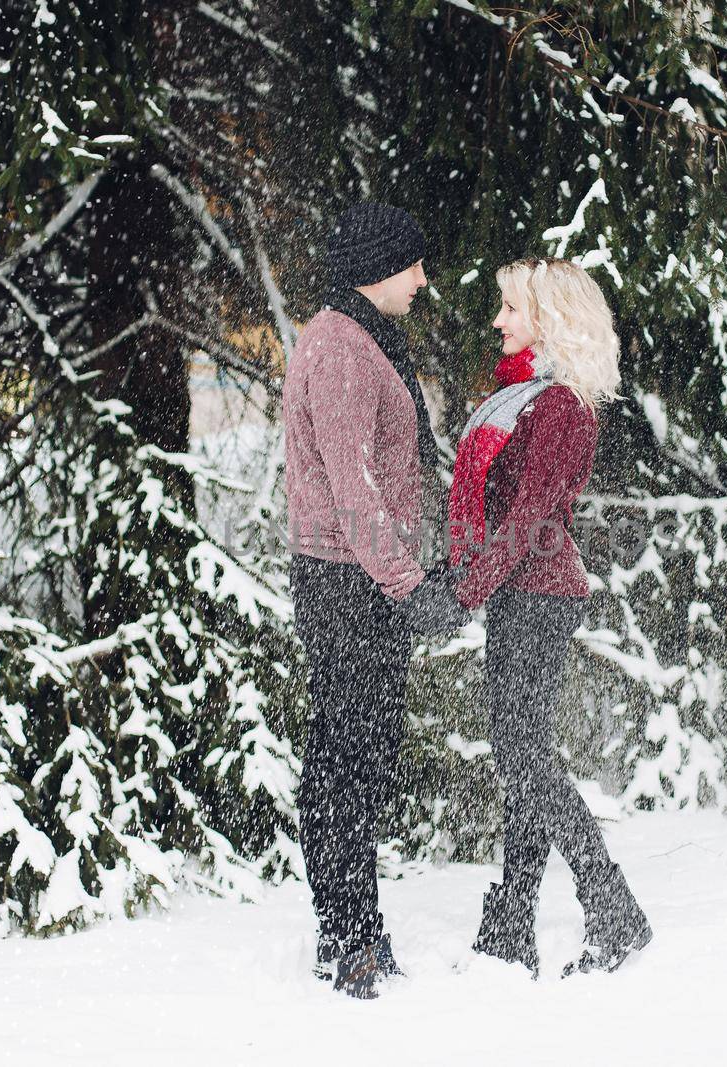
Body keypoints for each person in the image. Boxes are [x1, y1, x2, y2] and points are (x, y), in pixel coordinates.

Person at [282, 201, 470, 1000]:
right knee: (348, 762)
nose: (424, 280)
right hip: (348, 582)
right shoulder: (343, 351)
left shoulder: (357, 337)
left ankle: (350, 926)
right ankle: (349, 935)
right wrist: (410, 587)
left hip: (356, 579)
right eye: (413, 265)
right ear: (377, 267)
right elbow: (355, 491)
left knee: (355, 756)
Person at [448, 257, 652, 978]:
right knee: (521, 754)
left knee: (524, 754)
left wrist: (467, 588)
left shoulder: (560, 404)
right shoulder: (525, 398)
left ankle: (612, 908)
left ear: (551, 320)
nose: (499, 320)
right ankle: (511, 925)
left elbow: (533, 514)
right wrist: (473, 579)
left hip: (537, 591)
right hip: (519, 590)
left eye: (511, 308)